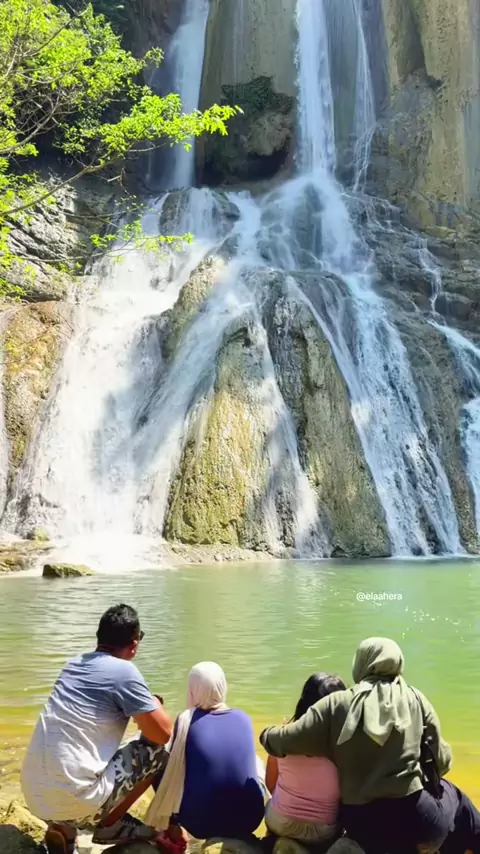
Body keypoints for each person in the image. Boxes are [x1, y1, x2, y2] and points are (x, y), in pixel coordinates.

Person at [260, 637, 480, 854]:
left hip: (360, 827)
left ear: (360, 663)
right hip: (415, 822)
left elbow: (282, 741)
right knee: (455, 797)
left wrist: (267, 734)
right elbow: (442, 761)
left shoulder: (337, 703)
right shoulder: (415, 698)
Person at [21, 604, 173, 854]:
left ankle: (64, 833)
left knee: (81, 756)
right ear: (134, 644)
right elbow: (162, 733)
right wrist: (154, 702)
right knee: (158, 754)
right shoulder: (124, 671)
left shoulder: (73, 664)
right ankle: (109, 825)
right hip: (77, 799)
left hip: (35, 794)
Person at [147, 661, 265, 841]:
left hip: (201, 824)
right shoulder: (244, 718)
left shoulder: (187, 720)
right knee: (257, 762)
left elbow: (173, 771)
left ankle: (172, 826)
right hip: (250, 820)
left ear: (192, 689)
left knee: (159, 762)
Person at [265, 673, 345, 845]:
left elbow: (271, 784)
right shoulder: (343, 745)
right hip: (324, 831)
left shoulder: (284, 735)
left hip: (281, 822)